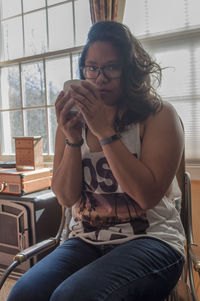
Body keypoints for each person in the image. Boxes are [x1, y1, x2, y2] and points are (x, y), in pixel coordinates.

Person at [8, 21, 185, 301]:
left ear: (129, 69)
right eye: (92, 68)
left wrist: (104, 131)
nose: (100, 78)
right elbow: (66, 198)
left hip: (152, 239)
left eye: (111, 67)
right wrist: (72, 138)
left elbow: (146, 196)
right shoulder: (72, 123)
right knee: (24, 293)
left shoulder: (159, 115)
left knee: (72, 296)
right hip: (86, 239)